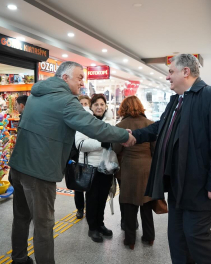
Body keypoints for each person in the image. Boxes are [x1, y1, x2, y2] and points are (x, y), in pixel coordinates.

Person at [8, 62, 135, 264]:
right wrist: (122, 135)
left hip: (19, 166)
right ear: (65, 78)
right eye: (79, 77)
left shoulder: (36, 95)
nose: (82, 81)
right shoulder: (65, 101)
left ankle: (19, 257)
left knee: (22, 216)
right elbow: (93, 127)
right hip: (40, 171)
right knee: (44, 224)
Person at [127, 54, 211, 264]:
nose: (168, 77)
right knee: (177, 237)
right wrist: (134, 135)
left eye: (171, 72)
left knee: (196, 236)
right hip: (178, 183)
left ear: (186, 72)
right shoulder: (177, 100)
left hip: (202, 185)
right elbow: (161, 127)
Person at [113, 96, 155, 250]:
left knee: (129, 205)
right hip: (147, 168)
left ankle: (130, 240)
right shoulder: (150, 124)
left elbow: (116, 149)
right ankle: (149, 237)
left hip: (128, 169)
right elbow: (155, 150)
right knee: (146, 204)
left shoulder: (120, 125)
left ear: (123, 108)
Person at [75, 94, 116, 243]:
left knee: (103, 198)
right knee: (92, 199)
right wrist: (101, 143)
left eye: (102, 104)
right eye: (96, 104)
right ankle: (92, 228)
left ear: (106, 107)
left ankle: (100, 224)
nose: (99, 107)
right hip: (90, 168)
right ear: (91, 107)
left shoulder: (110, 123)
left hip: (106, 168)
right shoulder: (84, 122)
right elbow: (79, 144)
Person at [75, 94, 92, 219]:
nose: (83, 106)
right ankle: (80, 208)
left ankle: (88, 206)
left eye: (85, 104)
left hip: (89, 157)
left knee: (89, 183)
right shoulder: (72, 119)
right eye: (81, 104)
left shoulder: (91, 119)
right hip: (75, 157)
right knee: (78, 186)